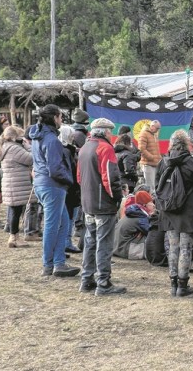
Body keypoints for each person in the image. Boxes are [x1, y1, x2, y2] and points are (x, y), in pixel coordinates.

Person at [157, 129, 193, 297]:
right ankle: (182, 285)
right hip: (188, 209)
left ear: (171, 144)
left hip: (168, 209)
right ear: (188, 144)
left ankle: (173, 284)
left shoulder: (164, 162)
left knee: (172, 246)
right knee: (186, 247)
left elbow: (157, 187)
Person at [28, 105, 79, 278]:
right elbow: (55, 169)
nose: (62, 120)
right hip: (52, 186)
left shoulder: (38, 137)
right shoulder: (52, 141)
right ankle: (48, 264)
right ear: (55, 118)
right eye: (60, 117)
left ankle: (58, 263)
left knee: (63, 223)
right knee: (52, 226)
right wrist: (70, 180)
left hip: (43, 184)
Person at [78, 117, 126, 295]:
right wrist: (117, 198)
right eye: (110, 132)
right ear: (106, 131)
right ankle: (103, 282)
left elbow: (79, 177)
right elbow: (111, 178)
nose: (112, 135)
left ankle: (86, 279)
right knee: (104, 243)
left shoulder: (84, 148)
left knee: (90, 241)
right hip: (103, 204)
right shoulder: (105, 148)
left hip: (88, 201)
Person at [0, 125, 32, 249]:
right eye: (21, 137)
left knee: (14, 210)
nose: (23, 139)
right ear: (15, 137)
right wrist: (27, 145)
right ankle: (14, 238)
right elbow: (31, 158)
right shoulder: (14, 148)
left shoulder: (6, 146)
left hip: (11, 183)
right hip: (17, 183)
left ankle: (13, 237)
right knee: (16, 211)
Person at [58, 124, 83, 255]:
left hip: (71, 188)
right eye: (72, 135)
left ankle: (66, 242)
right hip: (70, 189)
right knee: (68, 218)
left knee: (70, 217)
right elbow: (70, 170)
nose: (74, 137)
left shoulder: (69, 150)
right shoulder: (66, 151)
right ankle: (66, 243)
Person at [114, 190, 154, 260]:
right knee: (154, 240)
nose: (154, 205)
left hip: (117, 248)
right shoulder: (140, 216)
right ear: (145, 204)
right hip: (126, 250)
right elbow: (151, 232)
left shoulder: (134, 213)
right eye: (151, 202)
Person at [138, 120, 162, 190]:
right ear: (152, 126)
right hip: (148, 164)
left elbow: (156, 150)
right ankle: (150, 201)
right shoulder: (144, 134)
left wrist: (159, 158)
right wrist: (152, 157)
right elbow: (141, 149)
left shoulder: (154, 135)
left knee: (154, 187)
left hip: (154, 164)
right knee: (150, 188)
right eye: (157, 128)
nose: (157, 130)